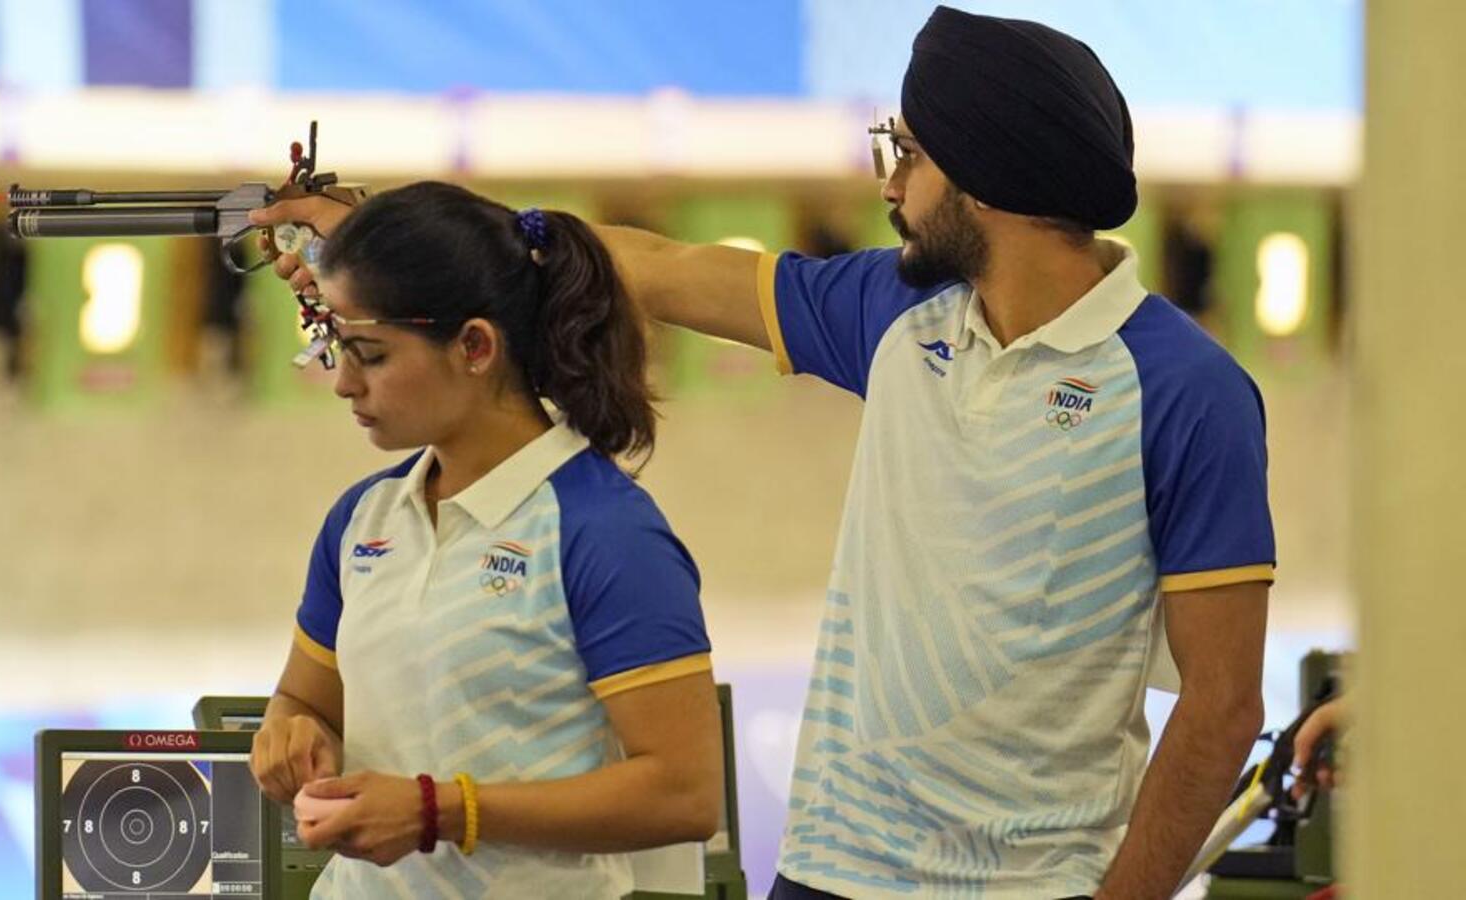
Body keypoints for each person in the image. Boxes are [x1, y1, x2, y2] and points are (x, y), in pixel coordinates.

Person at [254, 8, 1275, 897]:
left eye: (908, 152)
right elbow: (661, 269)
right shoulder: (897, 310)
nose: (890, 181)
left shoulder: (1186, 392)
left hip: (1033, 883)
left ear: (985, 175)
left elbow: (1222, 705)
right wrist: (389, 235)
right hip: (830, 867)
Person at [248, 181, 725, 898]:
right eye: (334, 350)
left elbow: (683, 794)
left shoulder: (605, 530)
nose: (343, 383)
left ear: (474, 346)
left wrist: (442, 812)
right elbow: (304, 700)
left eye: (369, 354)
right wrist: (289, 736)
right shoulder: (363, 518)